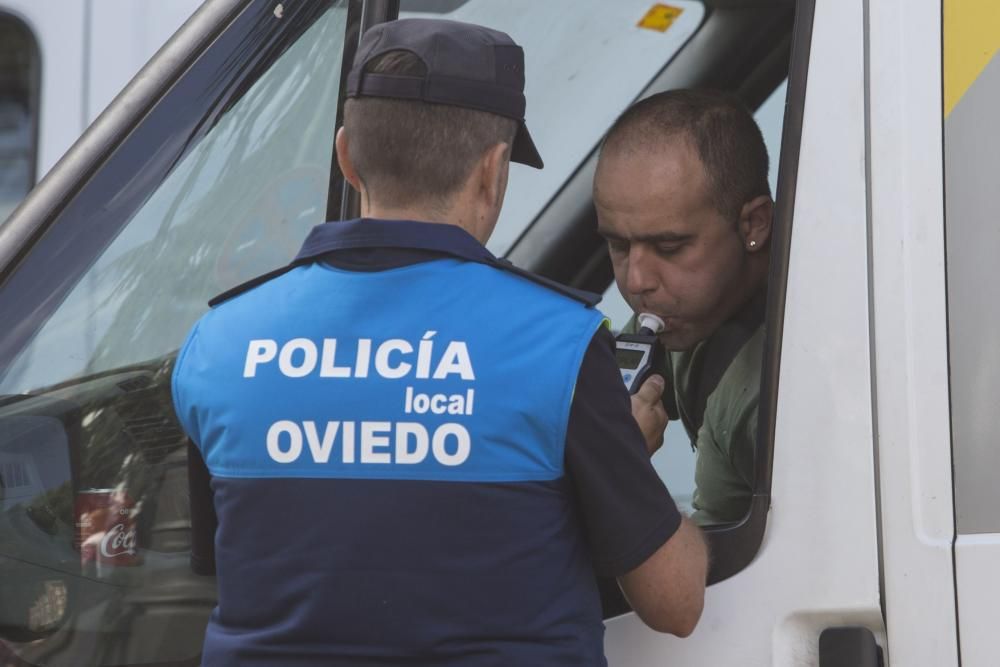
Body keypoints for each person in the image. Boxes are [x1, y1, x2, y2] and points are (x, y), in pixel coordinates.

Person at [172, 18, 707, 666]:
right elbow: (675, 602)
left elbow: (235, 566)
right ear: (493, 171)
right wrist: (623, 460)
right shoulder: (556, 346)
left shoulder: (217, 345)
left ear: (345, 155)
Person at [594, 89, 773, 526]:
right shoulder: (683, 309)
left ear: (753, 225)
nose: (637, 281)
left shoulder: (768, 398)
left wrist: (616, 473)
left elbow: (714, 580)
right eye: (618, 246)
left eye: (669, 247)